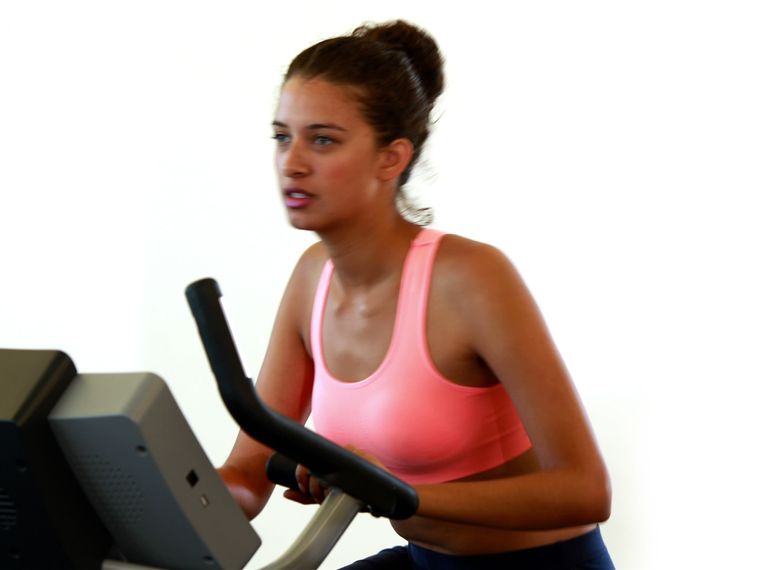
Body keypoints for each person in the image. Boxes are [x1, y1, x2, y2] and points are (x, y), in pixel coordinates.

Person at [217, 20, 614, 569]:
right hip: (427, 560)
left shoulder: (470, 279)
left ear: (392, 157)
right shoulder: (312, 280)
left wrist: (387, 488)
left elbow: (586, 490)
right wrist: (144, 499)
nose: (294, 162)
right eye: (283, 137)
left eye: (324, 139)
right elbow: (245, 474)